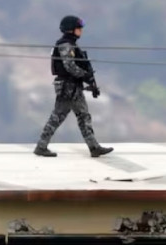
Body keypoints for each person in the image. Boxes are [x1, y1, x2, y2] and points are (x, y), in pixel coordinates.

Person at [34, 15, 113, 158]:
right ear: (71, 30)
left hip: (72, 87)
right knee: (63, 117)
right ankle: (41, 146)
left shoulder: (71, 44)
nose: (81, 31)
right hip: (69, 87)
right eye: (78, 28)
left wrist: (89, 81)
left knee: (79, 116)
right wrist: (85, 75)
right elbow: (69, 66)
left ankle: (93, 147)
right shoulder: (66, 45)